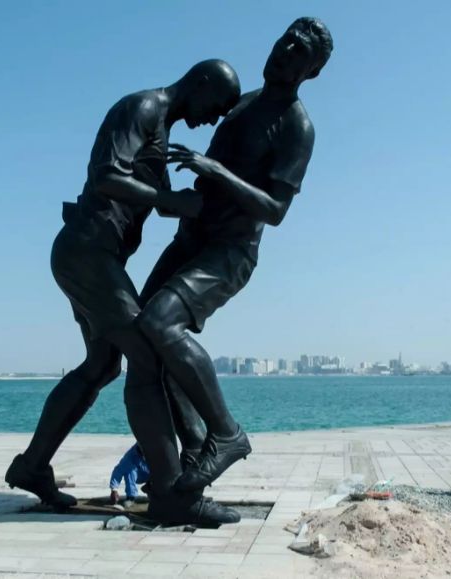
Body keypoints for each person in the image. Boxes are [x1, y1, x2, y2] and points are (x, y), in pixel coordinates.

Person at [5, 59, 241, 526]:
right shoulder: (142, 107)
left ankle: (32, 467)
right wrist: (172, 201)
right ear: (203, 82)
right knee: (147, 355)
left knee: (101, 365)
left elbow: (157, 201)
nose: (214, 118)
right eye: (218, 106)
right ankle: (173, 494)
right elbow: (106, 176)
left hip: (94, 258)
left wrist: (214, 187)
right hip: (87, 254)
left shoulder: (162, 132)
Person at [134, 17, 334, 494]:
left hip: (229, 252)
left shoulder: (296, 128)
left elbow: (276, 210)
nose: (285, 52)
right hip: (190, 239)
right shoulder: (243, 105)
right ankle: (194, 452)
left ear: (310, 72)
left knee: (162, 324)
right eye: (285, 41)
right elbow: (209, 180)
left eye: (298, 52)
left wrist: (215, 171)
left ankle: (226, 434)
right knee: (143, 336)